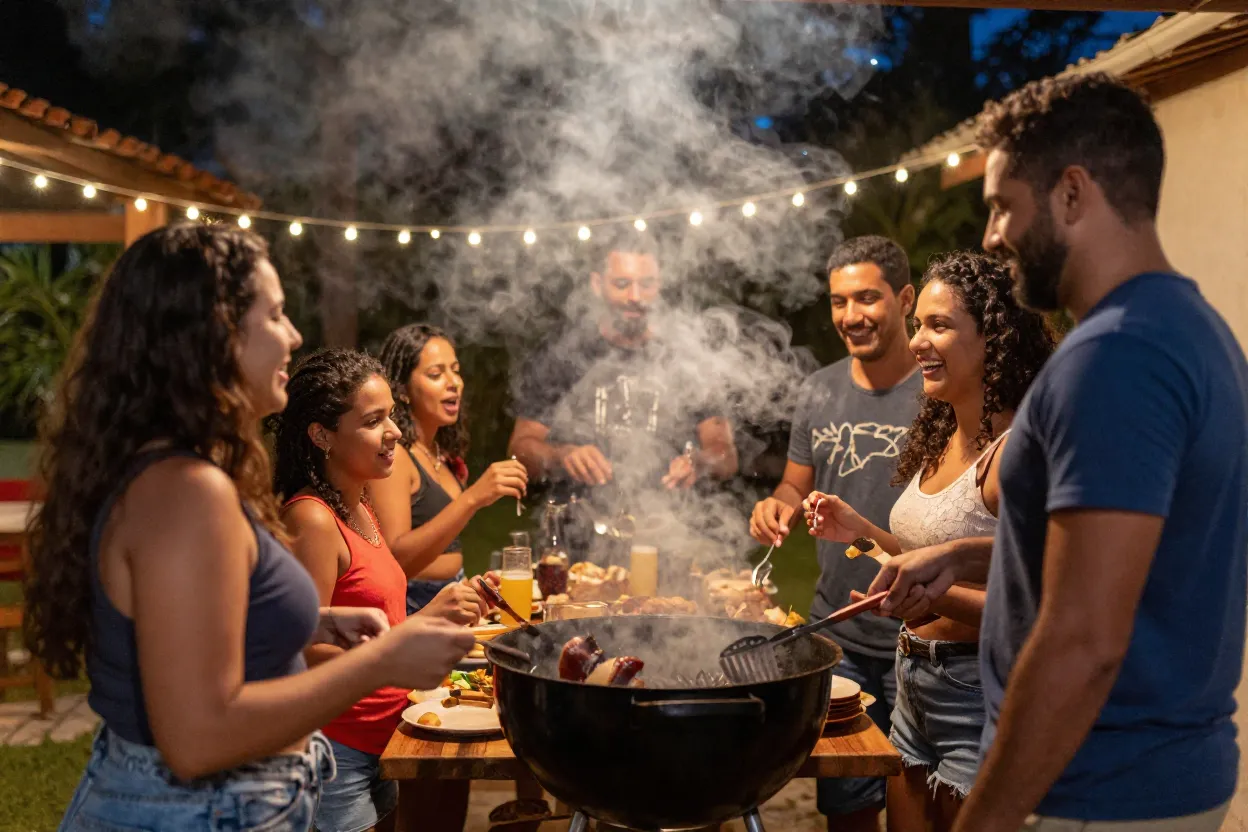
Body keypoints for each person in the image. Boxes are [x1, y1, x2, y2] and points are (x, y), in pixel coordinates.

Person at [868, 73, 1248, 832]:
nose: (992, 236)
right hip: (1159, 779)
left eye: (1004, 206)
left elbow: (1083, 640)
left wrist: (989, 818)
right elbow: (1127, 553)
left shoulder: (1112, 359)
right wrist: (968, 558)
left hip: (1097, 792)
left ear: (1072, 194)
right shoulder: (1190, 329)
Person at [23, 225, 474, 832]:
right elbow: (198, 738)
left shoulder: (180, 471)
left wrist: (314, 620)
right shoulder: (186, 490)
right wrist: (382, 660)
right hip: (188, 811)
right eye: (277, 315)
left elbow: (182, 623)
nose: (293, 336)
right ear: (216, 334)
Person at [803, 251, 1054, 831]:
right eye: (920, 324)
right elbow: (924, 560)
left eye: (938, 326)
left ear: (994, 339)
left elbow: (1037, 608)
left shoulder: (1017, 453)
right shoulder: (943, 433)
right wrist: (861, 533)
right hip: (913, 683)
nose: (918, 340)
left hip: (977, 695)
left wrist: (931, 598)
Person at [749, 234, 921, 831]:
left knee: (913, 810)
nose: (851, 316)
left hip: (916, 634)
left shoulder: (938, 390)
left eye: (867, 298)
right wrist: (776, 506)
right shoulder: (819, 389)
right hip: (836, 633)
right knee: (847, 813)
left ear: (905, 298)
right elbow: (794, 485)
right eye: (839, 301)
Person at [507, 238, 738, 554]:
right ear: (597, 284)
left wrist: (698, 461)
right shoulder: (562, 354)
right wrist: (562, 455)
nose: (635, 297)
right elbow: (519, 451)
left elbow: (725, 454)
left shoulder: (687, 356)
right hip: (576, 548)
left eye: (646, 284)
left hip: (666, 544)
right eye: (622, 284)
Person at [373, 324, 528, 614]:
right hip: (412, 607)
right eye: (436, 374)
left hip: (449, 598)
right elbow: (394, 560)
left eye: (455, 370)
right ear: (403, 391)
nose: (453, 382)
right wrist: (473, 499)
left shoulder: (440, 455)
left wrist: (473, 590)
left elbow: (444, 545)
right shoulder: (396, 458)